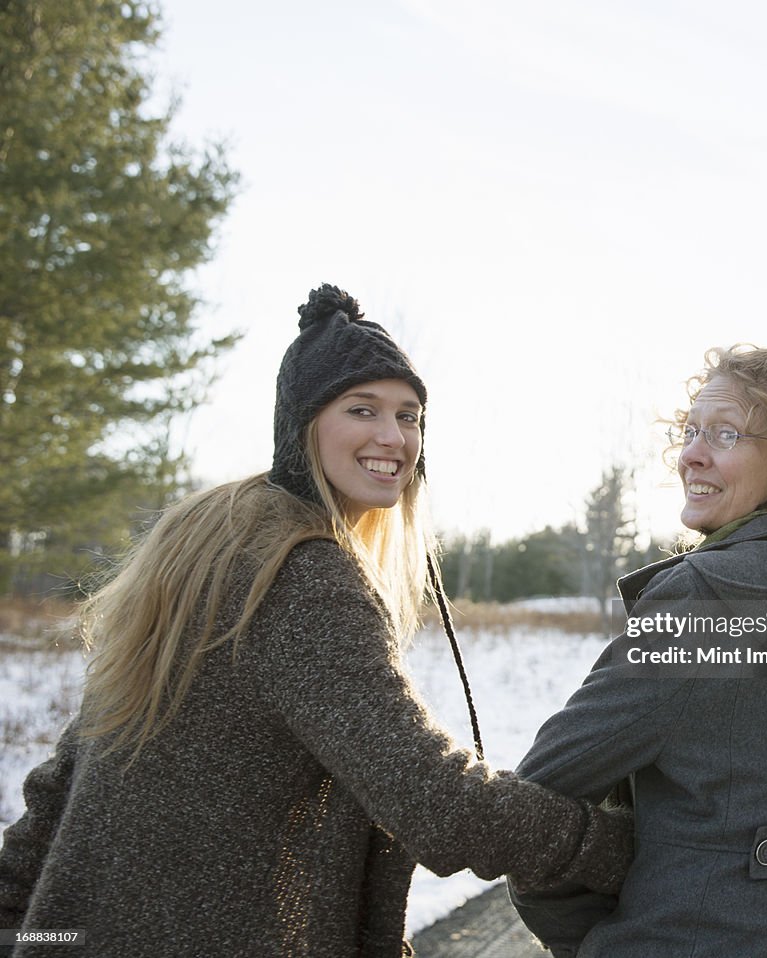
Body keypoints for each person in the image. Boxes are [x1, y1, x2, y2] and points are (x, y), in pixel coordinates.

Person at [0, 285, 632, 958]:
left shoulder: (209, 546)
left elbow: (57, 786)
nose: (394, 438)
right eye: (363, 410)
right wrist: (615, 846)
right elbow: (435, 802)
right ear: (304, 425)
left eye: (410, 416)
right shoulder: (299, 573)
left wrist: (20, 924)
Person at [510, 345, 767, 957]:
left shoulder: (704, 599)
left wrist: (594, 938)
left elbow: (535, 797)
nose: (691, 454)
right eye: (690, 431)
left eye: (726, 434)